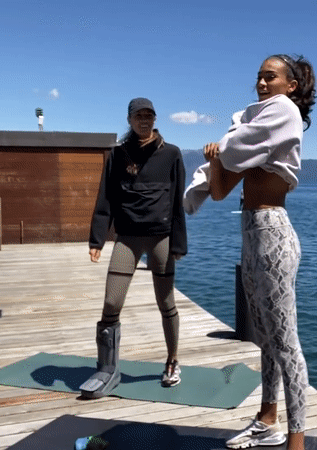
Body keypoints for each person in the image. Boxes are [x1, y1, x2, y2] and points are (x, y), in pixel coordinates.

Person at [184, 54, 316, 450]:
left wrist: (225, 146)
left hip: (274, 234)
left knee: (287, 344)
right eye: (258, 77)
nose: (261, 83)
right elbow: (220, 191)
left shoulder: (284, 114)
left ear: (290, 85)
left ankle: (296, 441)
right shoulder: (252, 141)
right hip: (252, 236)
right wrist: (215, 161)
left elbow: (236, 143)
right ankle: (266, 420)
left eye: (270, 76)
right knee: (266, 339)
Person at [80, 97, 188, 399]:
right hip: (127, 238)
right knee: (111, 302)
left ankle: (172, 361)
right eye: (139, 116)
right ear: (129, 120)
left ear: (155, 119)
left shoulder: (171, 154)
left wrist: (179, 243)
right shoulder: (118, 154)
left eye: (149, 116)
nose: (144, 120)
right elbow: (106, 197)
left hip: (161, 237)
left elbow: (177, 202)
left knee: (166, 302)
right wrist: (97, 239)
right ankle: (106, 367)